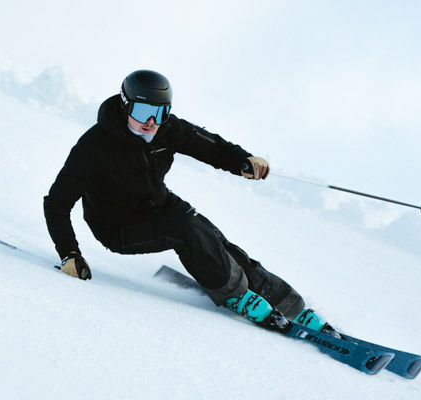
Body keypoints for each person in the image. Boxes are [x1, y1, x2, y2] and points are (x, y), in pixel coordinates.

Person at [43, 69, 334, 333]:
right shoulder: (94, 146)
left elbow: (211, 146)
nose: (151, 122)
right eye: (143, 111)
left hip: (158, 203)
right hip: (117, 226)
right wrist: (69, 253)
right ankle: (235, 295)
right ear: (125, 105)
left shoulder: (168, 129)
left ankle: (288, 303)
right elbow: (57, 202)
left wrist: (243, 160)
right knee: (184, 229)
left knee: (214, 238)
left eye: (161, 112)